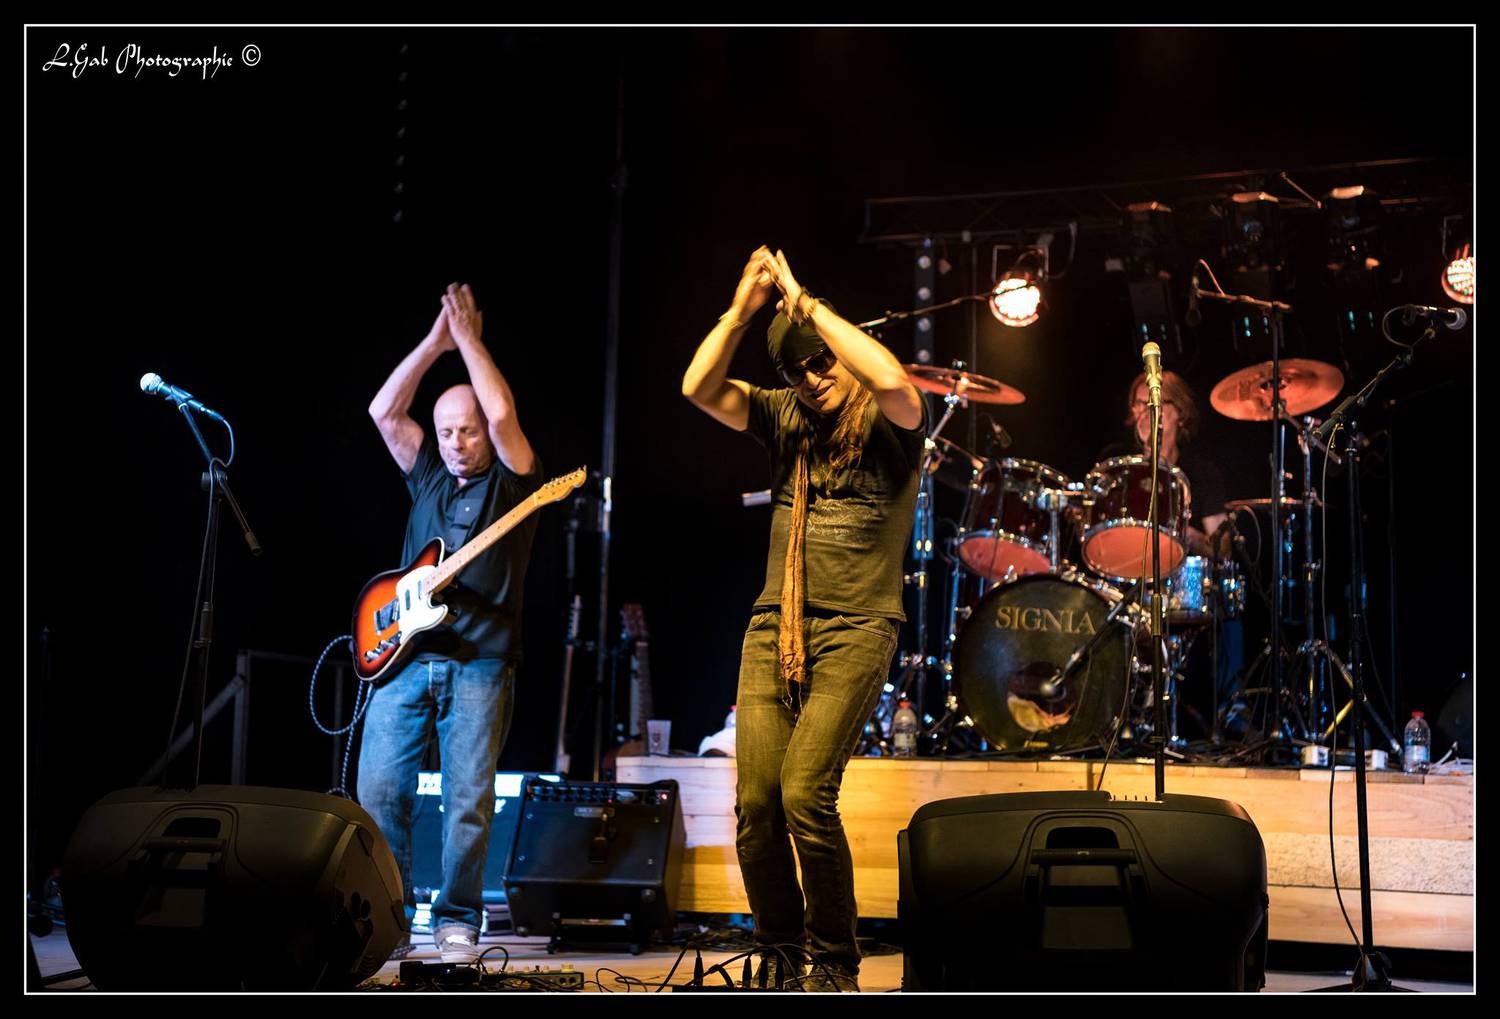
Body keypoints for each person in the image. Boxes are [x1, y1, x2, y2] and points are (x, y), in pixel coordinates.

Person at [682, 247, 926, 992]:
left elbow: (891, 377)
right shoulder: (784, 415)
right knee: (755, 806)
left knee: (803, 792)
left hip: (858, 629)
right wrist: (742, 310)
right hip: (774, 628)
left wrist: (805, 302)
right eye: (795, 372)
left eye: (820, 366)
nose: (810, 382)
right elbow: (697, 386)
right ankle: (785, 957)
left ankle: (834, 959)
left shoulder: (894, 422)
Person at [360, 283, 541, 963]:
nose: (459, 442)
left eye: (467, 431)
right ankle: (388, 912)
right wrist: (436, 341)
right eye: (446, 432)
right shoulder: (430, 473)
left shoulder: (516, 478)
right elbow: (384, 409)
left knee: (467, 800)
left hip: (482, 659)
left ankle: (459, 917)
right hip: (403, 655)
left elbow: (500, 413)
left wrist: (469, 339)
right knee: (379, 787)